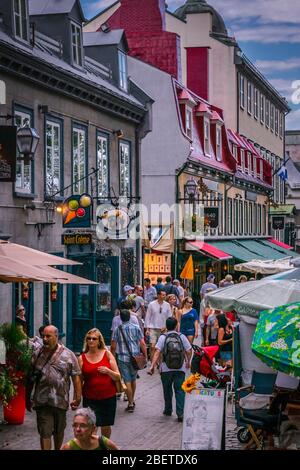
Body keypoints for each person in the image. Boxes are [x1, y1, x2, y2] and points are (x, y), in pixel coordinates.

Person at [26, 325, 82, 450]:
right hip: (42, 400)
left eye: (48, 336)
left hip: (60, 400)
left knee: (58, 431)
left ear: (56, 337)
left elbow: (76, 377)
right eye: (43, 336)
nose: (44, 339)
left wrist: (77, 397)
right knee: (44, 432)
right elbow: (30, 377)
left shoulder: (68, 354)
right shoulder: (37, 354)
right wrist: (27, 398)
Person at [78, 328, 120, 439]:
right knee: (92, 426)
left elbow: (117, 376)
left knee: (105, 426)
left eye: (94, 338)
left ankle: (104, 445)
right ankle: (93, 446)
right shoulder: (81, 358)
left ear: (99, 341)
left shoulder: (107, 354)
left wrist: (108, 371)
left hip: (108, 397)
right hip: (90, 397)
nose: (91, 341)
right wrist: (77, 397)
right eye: (89, 338)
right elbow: (79, 380)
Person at [148, 317, 192, 422]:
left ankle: (168, 409)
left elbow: (157, 351)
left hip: (166, 368)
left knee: (167, 390)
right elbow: (189, 350)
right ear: (176, 325)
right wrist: (187, 361)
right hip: (180, 368)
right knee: (180, 391)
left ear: (166, 326)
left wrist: (152, 366)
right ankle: (180, 413)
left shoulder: (163, 337)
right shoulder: (182, 337)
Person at [111, 309, 147, 413]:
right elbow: (142, 343)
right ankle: (132, 400)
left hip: (123, 358)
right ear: (130, 317)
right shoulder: (136, 328)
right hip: (135, 358)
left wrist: (112, 357)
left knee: (127, 380)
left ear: (121, 318)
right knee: (133, 379)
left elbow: (113, 346)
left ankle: (130, 403)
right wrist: (145, 355)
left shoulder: (118, 329)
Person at [144, 290, 172, 361]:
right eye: (163, 295)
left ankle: (160, 362)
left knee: (161, 347)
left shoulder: (167, 305)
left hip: (163, 329)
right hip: (153, 328)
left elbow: (169, 317)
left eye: (165, 295)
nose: (164, 296)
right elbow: (148, 317)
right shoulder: (151, 304)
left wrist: (166, 327)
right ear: (158, 295)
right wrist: (147, 329)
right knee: (152, 346)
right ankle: (153, 362)